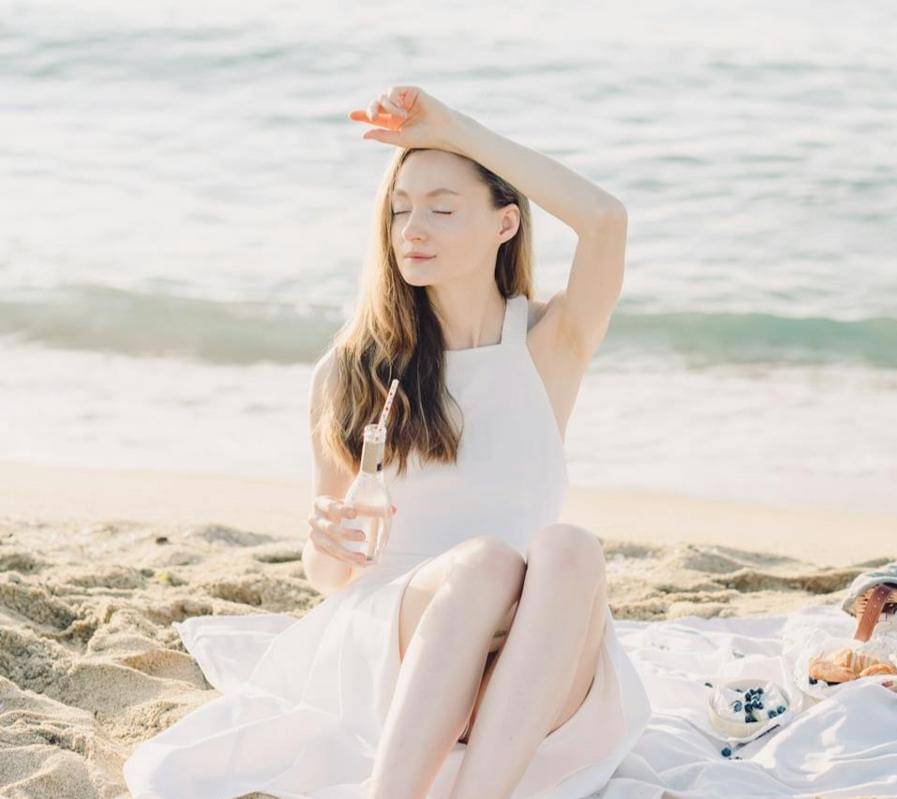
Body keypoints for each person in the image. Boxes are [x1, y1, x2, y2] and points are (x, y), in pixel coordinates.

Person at [123, 85, 651, 799]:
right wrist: (325, 541)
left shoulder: (548, 343)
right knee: (489, 562)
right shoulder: (355, 367)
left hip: (533, 660)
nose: (413, 228)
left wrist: (457, 130)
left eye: (441, 206)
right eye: (401, 207)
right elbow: (327, 571)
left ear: (505, 223)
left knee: (570, 549)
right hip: (399, 637)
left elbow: (605, 219)